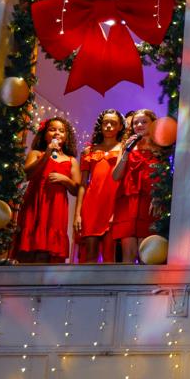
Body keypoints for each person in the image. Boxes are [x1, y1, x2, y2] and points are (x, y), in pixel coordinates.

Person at [12, 117, 80, 263]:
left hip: (56, 206)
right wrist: (47, 154)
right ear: (44, 134)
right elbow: (27, 175)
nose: (57, 133)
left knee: (48, 250)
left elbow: (76, 189)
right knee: (29, 249)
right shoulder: (36, 153)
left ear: (66, 136)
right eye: (52, 129)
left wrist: (65, 180)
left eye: (61, 131)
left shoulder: (71, 160)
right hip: (36, 202)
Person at [74, 109, 125, 263]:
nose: (109, 126)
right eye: (105, 123)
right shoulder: (89, 151)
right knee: (90, 253)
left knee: (110, 254)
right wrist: (77, 214)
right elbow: (83, 184)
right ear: (101, 126)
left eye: (113, 123)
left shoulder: (124, 148)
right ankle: (86, 287)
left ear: (120, 127)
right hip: (91, 204)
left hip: (114, 203)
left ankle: (110, 287)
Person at [112, 109, 163, 263]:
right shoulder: (125, 146)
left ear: (153, 123)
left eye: (143, 122)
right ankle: (125, 286)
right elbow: (115, 176)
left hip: (149, 202)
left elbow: (165, 177)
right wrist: (126, 152)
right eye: (135, 123)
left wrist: (159, 198)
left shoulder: (162, 146)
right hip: (127, 201)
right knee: (128, 252)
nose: (139, 125)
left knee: (146, 252)